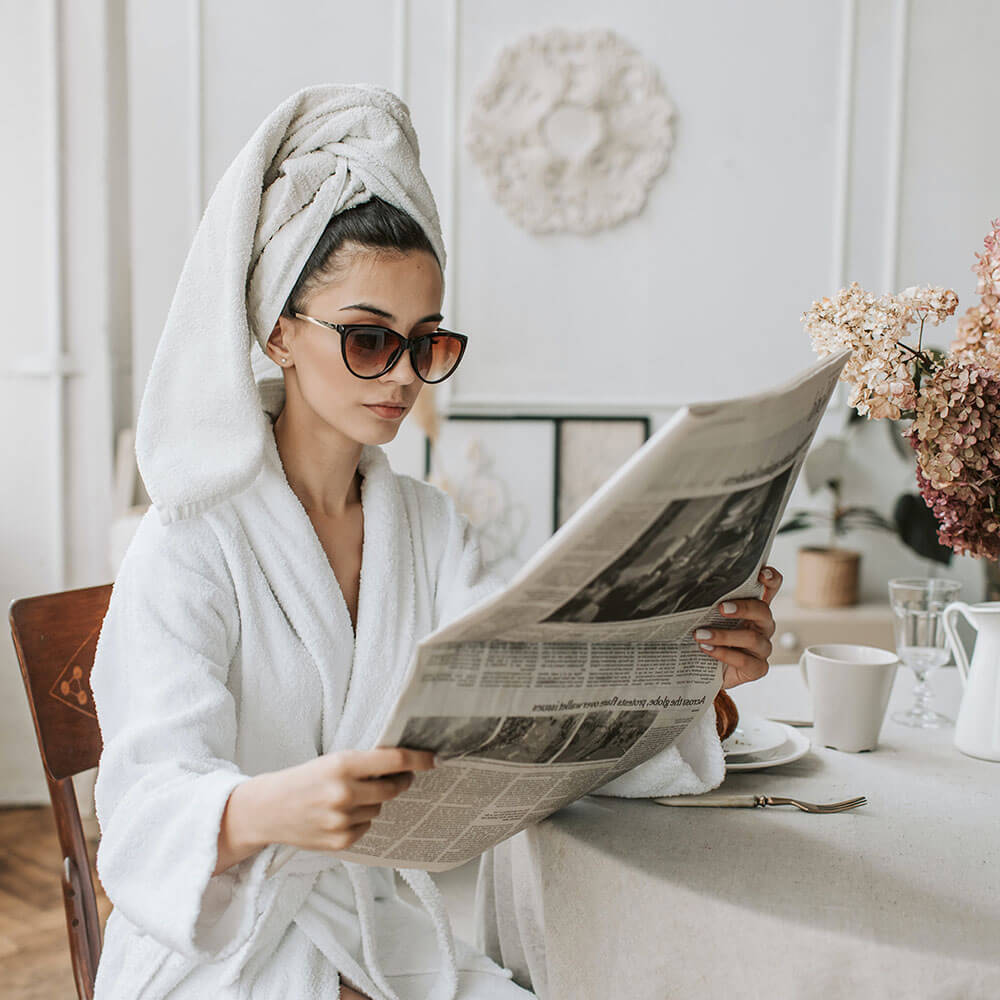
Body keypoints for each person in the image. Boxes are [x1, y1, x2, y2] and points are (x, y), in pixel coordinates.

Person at [88, 84, 783, 1000]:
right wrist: (268, 807)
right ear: (278, 333)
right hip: (225, 960)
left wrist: (696, 680)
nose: (405, 376)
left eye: (427, 343)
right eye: (369, 340)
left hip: (387, 939)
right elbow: (143, 811)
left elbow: (530, 723)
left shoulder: (428, 527)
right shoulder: (184, 544)